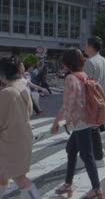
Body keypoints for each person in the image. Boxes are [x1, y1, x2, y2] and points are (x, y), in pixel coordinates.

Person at [50, 49, 103, 199]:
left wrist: (55, 123)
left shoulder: (70, 78)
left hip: (80, 122)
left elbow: (67, 104)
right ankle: (68, 183)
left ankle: (96, 188)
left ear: (66, 63)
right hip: (85, 119)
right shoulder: (83, 75)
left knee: (87, 156)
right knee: (71, 150)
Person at [0, 57, 42, 199]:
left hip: (10, 141)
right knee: (3, 172)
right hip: (21, 136)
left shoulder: (7, 92)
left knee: (20, 178)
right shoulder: (21, 86)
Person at [84, 36, 105, 168]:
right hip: (102, 96)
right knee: (93, 128)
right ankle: (100, 151)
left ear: (90, 46)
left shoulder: (89, 62)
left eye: (85, 45)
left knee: (91, 128)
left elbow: (85, 83)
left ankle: (98, 156)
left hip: (91, 99)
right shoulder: (104, 60)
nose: (84, 47)